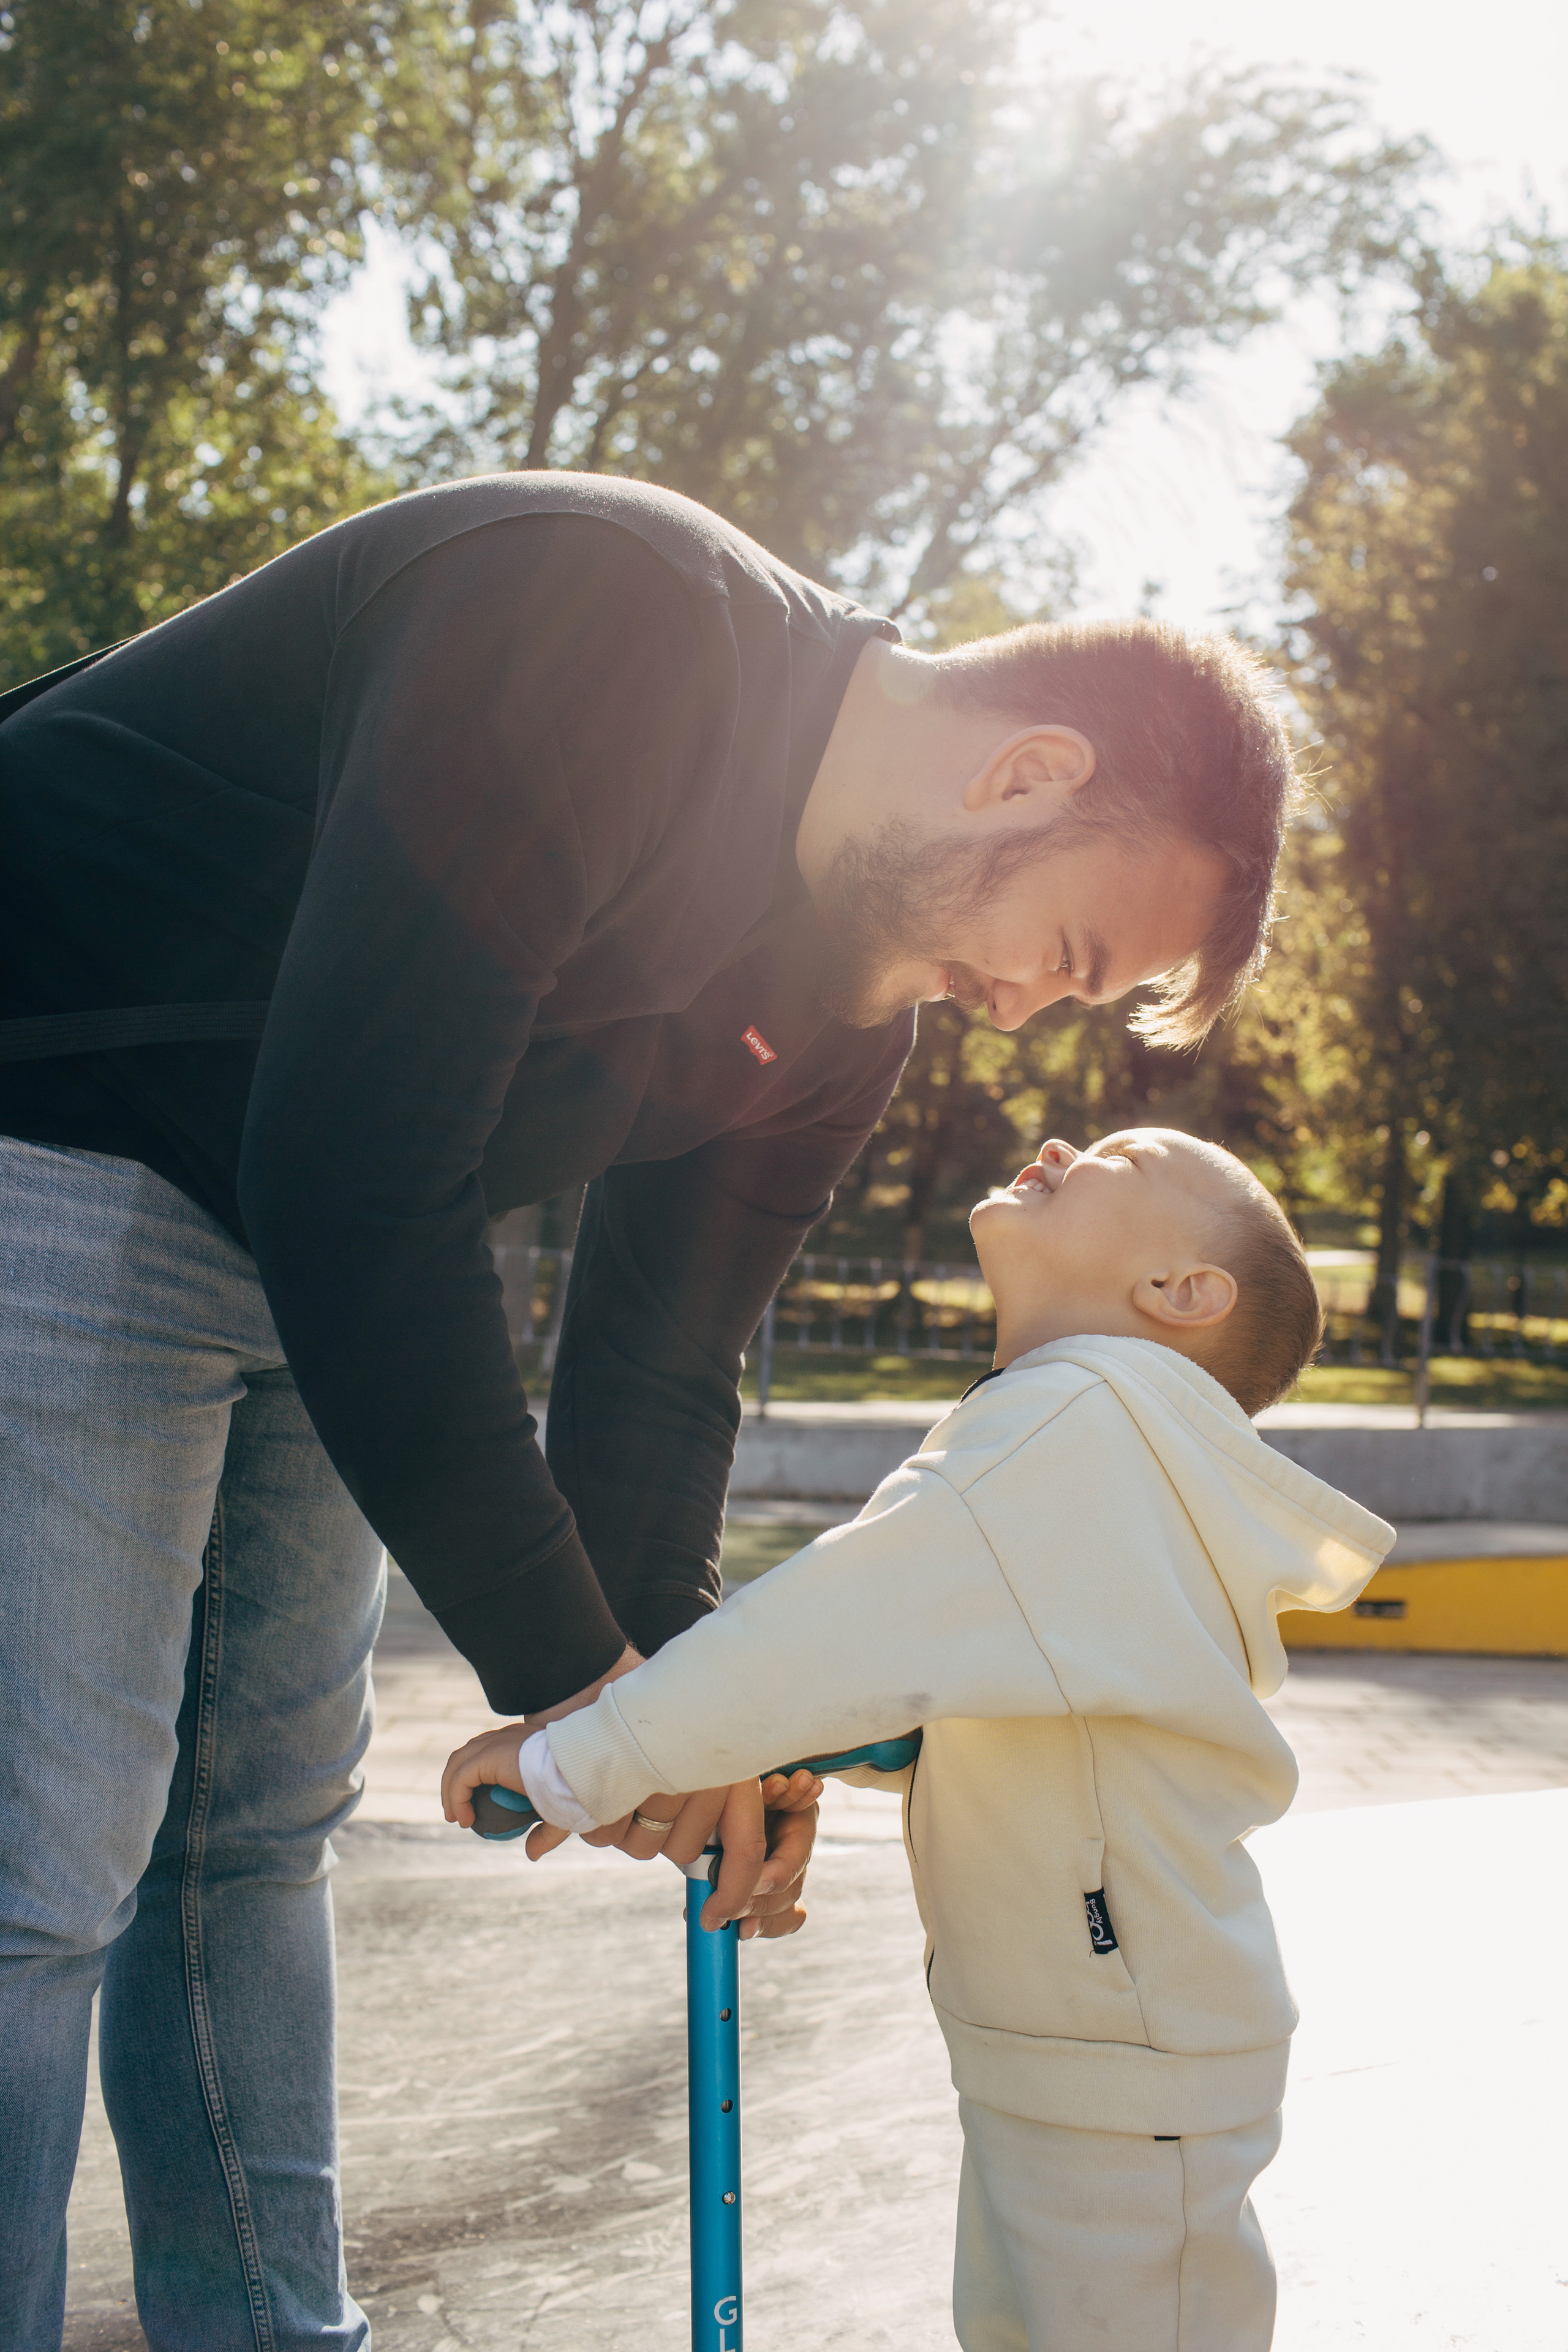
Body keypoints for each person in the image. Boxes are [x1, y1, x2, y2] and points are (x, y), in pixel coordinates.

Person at [0, 470, 1295, 2349]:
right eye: (1070, 955)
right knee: (44, 1859)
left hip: (305, 1213)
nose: (1022, 1014)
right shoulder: (613, 625)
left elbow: (658, 1365)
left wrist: (705, 1702)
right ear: (1022, 775)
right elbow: (360, 1168)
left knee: (252, 1829)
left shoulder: (852, 1009)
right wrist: (588, 1687)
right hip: (61, 1111)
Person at [444, 1126, 1395, 2351]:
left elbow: (827, 1626)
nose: (1061, 1139)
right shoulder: (1091, 1446)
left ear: (1179, 1292)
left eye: (1126, 1156)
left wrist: (569, 1762)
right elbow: (985, 1686)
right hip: (1086, 2032)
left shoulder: (1071, 1426)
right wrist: (846, 1745)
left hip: (1112, 2042)